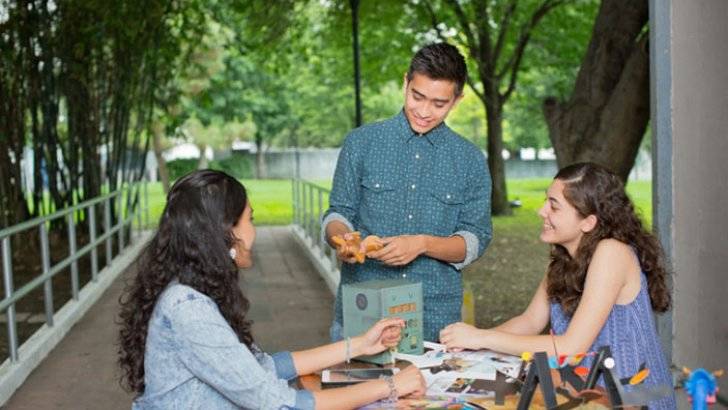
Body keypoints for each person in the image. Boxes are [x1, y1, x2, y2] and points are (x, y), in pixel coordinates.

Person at [118, 170, 426, 409]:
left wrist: (359, 345)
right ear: (226, 232)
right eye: (250, 220)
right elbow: (278, 402)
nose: (254, 230)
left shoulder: (192, 289)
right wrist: (392, 386)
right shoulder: (188, 308)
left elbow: (263, 367)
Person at [440, 162, 676, 409]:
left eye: (554, 206)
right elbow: (530, 322)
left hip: (633, 398)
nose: (542, 211)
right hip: (586, 393)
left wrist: (482, 338)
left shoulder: (612, 253)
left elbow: (572, 347)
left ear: (588, 222)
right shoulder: (564, 257)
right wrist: (470, 345)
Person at [321, 43, 492, 343]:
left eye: (439, 104)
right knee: (354, 390)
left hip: (435, 320)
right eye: (417, 96)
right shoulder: (361, 143)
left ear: (457, 100)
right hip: (362, 312)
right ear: (406, 82)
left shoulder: (470, 160)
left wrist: (423, 244)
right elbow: (338, 213)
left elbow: (475, 240)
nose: (424, 112)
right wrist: (343, 238)